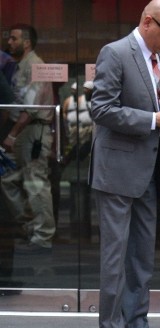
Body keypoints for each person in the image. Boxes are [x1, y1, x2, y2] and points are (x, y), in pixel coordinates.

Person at [89, 0, 160, 328]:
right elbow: (101, 109)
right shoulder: (115, 53)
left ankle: (136, 327)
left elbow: (157, 107)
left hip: (150, 168)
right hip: (117, 171)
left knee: (141, 257)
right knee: (116, 256)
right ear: (148, 22)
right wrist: (155, 121)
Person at [0, 24, 55, 252]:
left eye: (14, 39)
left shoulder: (35, 66)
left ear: (27, 42)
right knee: (8, 180)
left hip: (32, 130)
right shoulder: (21, 66)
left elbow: (30, 106)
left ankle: (42, 236)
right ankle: (31, 226)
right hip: (23, 130)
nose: (9, 43)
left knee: (36, 183)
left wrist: (12, 135)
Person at [61, 81, 94, 241]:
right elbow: (65, 114)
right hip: (75, 136)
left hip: (87, 138)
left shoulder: (89, 102)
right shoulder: (70, 101)